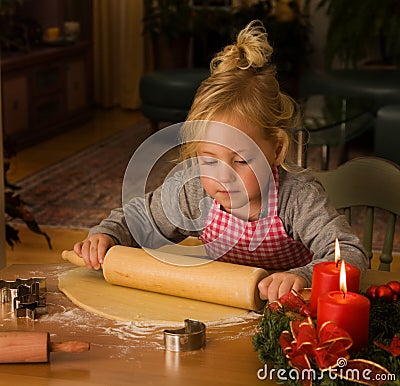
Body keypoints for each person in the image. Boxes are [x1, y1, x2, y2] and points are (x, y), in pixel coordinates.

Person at [74, 20, 368, 302]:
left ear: (276, 151)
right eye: (210, 160)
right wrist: (107, 234)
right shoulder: (194, 192)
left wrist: (303, 277)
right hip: (224, 304)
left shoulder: (298, 198)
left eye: (240, 161)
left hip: (289, 311)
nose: (224, 177)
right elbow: (139, 220)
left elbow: (350, 254)